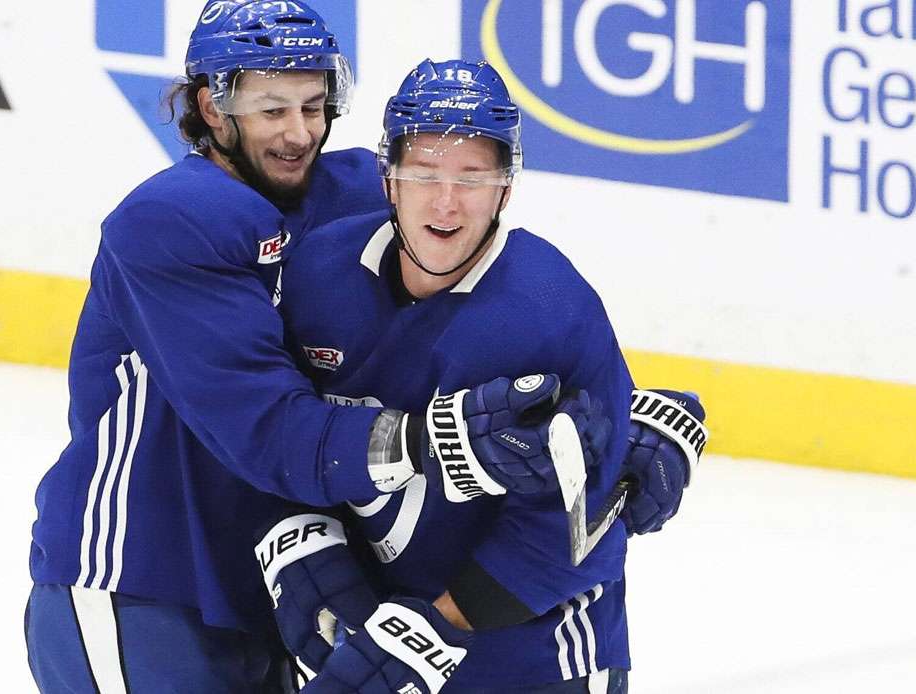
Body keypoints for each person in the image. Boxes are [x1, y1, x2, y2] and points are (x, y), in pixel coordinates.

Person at [24, 3, 616, 692]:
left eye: (314, 104)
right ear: (211, 108)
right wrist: (435, 439)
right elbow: (271, 432)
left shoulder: (358, 194)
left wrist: (622, 431)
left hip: (269, 595)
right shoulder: (171, 219)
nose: (299, 132)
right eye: (271, 109)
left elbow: (507, 314)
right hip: (144, 578)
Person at [263, 59, 709, 693]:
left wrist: (421, 635)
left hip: (534, 658)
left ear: (505, 188)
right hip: (368, 629)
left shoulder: (552, 312)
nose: (446, 203)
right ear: (389, 179)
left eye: (473, 178)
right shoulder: (318, 275)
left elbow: (579, 537)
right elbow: (273, 425)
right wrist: (301, 547)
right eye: (424, 174)